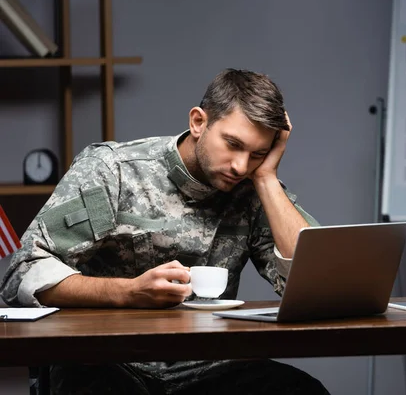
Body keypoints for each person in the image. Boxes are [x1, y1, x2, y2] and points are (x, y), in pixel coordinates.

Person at [0, 68, 329, 394]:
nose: (241, 166)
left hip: (214, 366)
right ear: (198, 122)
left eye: (258, 154)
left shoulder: (254, 186)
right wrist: (127, 292)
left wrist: (267, 178)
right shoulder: (114, 171)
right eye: (232, 144)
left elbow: (317, 288)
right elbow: (22, 271)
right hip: (109, 361)